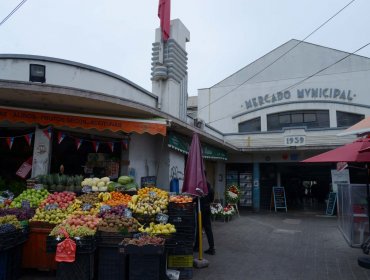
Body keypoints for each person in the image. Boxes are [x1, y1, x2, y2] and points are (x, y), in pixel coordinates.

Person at [194, 171, 215, 255]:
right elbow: (211, 199)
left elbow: (196, 198)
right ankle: (212, 247)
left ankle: (197, 247)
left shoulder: (200, 187)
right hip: (207, 209)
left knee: (199, 229)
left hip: (201, 210)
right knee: (208, 229)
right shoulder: (209, 185)